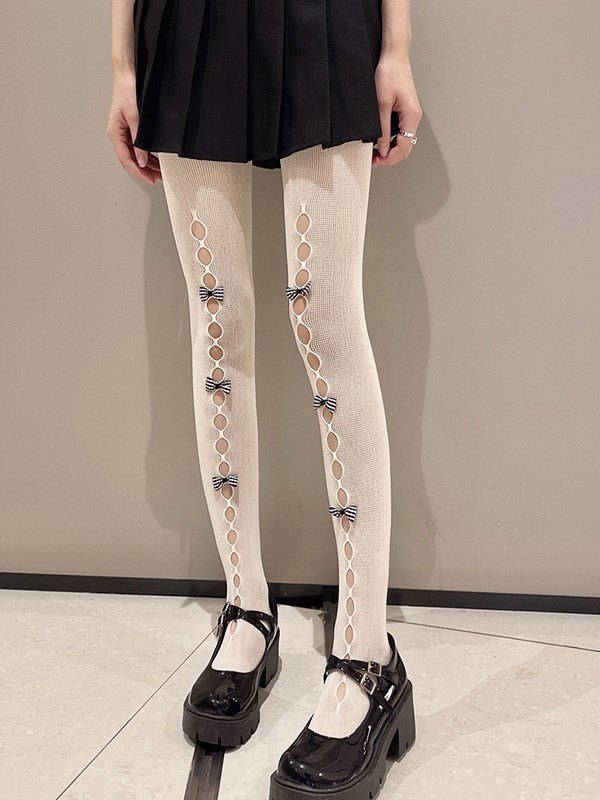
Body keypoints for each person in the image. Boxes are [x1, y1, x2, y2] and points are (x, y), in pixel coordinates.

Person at [108, 1, 422, 796]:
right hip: (189, 19)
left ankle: (367, 655)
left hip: (324, 14)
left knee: (324, 316)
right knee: (218, 318)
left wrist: (397, 44)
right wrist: (123, 65)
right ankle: (246, 608)